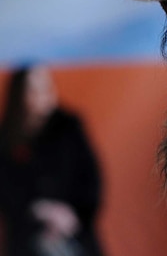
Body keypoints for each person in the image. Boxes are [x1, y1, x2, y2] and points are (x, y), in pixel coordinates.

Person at [0, 65, 104, 256]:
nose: (44, 95)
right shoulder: (6, 139)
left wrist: (71, 215)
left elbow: (91, 179)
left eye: (47, 87)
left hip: (73, 232)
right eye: (35, 89)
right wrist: (39, 211)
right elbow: (6, 191)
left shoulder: (69, 128)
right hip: (26, 236)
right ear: (19, 95)